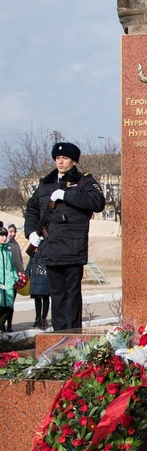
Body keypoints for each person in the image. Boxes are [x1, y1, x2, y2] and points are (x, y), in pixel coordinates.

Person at [24, 142, 106, 331]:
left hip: (72, 248)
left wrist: (67, 195)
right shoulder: (45, 184)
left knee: (72, 296)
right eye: (58, 158)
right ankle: (59, 336)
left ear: (73, 161)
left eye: (65, 158)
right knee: (57, 296)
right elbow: (32, 209)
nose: (60, 162)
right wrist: (31, 233)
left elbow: (97, 202)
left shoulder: (84, 181)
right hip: (51, 248)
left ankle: (74, 335)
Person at [26, 249, 50, 330]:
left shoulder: (47, 244)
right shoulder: (34, 245)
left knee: (45, 296)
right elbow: (30, 261)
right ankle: (38, 318)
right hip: (35, 275)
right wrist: (27, 273)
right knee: (37, 297)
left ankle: (43, 318)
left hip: (45, 273)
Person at [0, 227, 16, 332]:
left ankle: (4, 327)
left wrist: (15, 277)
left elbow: (12, 265)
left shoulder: (8, 248)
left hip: (9, 283)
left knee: (8, 308)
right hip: (0, 284)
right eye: (2, 235)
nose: (4, 237)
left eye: (5, 235)